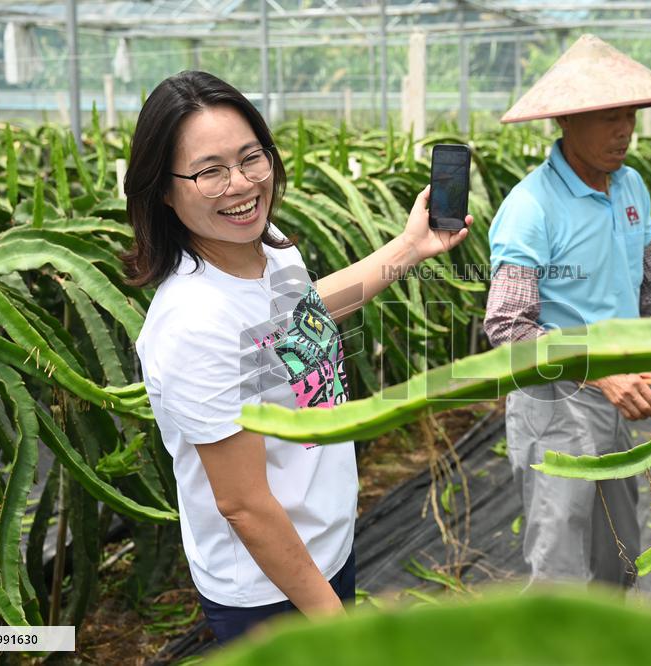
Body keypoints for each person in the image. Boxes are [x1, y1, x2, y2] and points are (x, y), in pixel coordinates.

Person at [123, 70, 471, 643]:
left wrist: (411, 247)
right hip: (269, 590)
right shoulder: (193, 323)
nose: (240, 184)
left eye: (250, 157)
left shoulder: (268, 248)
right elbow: (243, 505)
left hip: (324, 547)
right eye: (209, 170)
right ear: (163, 188)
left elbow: (305, 315)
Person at [483, 35, 651, 587]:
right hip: (557, 402)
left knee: (619, 557)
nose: (624, 129)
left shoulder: (630, 186)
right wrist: (601, 374)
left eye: (629, 113)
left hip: (620, 394)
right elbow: (508, 326)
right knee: (559, 565)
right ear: (564, 120)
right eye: (608, 116)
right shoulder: (531, 208)